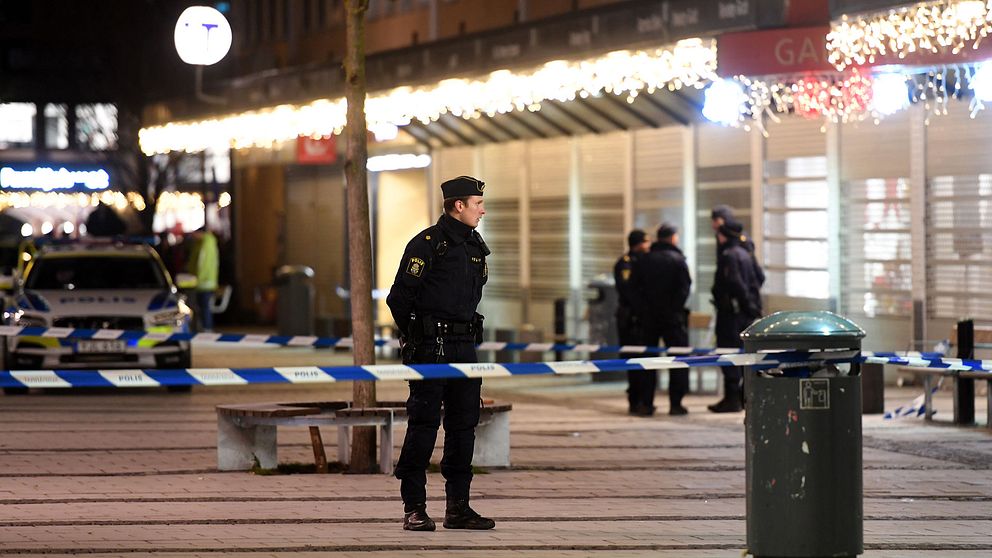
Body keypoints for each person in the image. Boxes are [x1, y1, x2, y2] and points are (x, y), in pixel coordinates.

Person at [386, 175, 496, 532]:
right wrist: (417, 337)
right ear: (458, 206)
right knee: (424, 426)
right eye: (477, 204)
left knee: (464, 426)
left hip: (465, 348)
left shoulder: (475, 246)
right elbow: (399, 299)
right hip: (431, 350)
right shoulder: (428, 245)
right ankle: (414, 507)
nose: (483, 209)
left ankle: (458, 507)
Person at [630, 223, 692, 416]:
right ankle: (676, 403)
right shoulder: (677, 260)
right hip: (672, 319)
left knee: (648, 361)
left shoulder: (644, 260)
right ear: (673, 238)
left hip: (649, 319)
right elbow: (684, 288)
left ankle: (646, 403)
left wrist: (643, 310)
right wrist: (674, 309)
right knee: (678, 360)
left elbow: (633, 288)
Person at [709, 219, 763, 413]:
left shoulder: (729, 255)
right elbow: (759, 278)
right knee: (743, 355)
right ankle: (743, 397)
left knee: (729, 352)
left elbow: (734, 282)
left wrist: (742, 303)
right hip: (743, 313)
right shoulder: (745, 253)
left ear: (723, 235)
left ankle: (732, 398)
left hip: (731, 314)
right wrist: (752, 306)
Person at [614, 229, 651, 415]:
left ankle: (644, 399)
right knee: (633, 361)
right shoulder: (626, 264)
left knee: (645, 360)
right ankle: (635, 399)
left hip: (641, 317)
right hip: (630, 318)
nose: (648, 246)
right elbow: (629, 292)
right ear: (637, 244)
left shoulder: (644, 261)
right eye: (645, 242)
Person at [186, 225, 219, 332]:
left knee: (204, 307)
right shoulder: (203, 243)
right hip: (203, 281)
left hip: (204, 282)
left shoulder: (205, 243)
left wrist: (197, 278)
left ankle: (207, 328)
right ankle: (204, 328)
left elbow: (202, 263)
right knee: (202, 307)